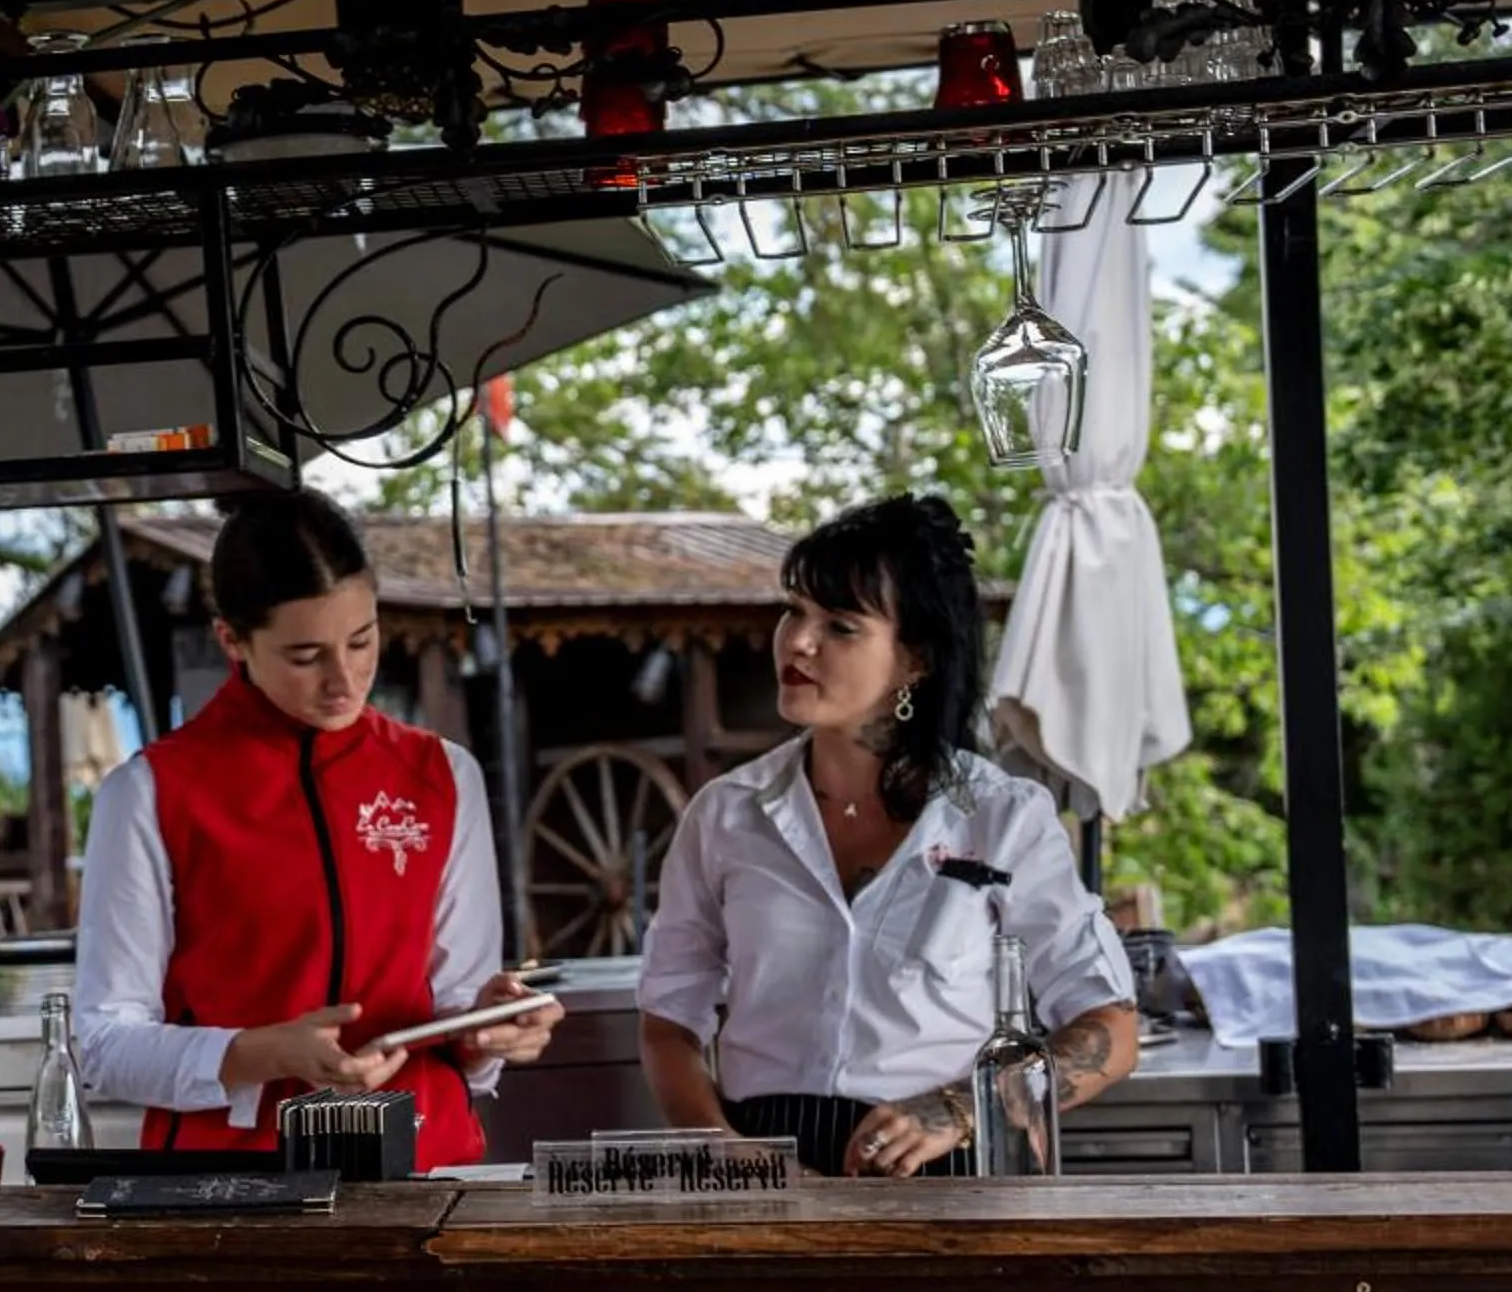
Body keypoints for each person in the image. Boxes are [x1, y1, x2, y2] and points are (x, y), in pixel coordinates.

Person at [637, 492, 1137, 1176]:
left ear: (916, 660)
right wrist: (725, 1148)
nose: (798, 641)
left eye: (840, 626)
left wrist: (959, 1108)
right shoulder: (727, 814)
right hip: (761, 1173)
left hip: (942, 1181)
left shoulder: (1001, 816)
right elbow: (669, 1023)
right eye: (794, 610)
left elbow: (1110, 1027)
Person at [75, 489, 559, 1166]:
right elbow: (101, 1041)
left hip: (426, 1168)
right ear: (232, 642)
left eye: (361, 640)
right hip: (234, 1183)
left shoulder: (441, 775)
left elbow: (455, 1001)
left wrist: (491, 1029)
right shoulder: (152, 793)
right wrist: (259, 1053)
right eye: (305, 656)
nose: (344, 679)